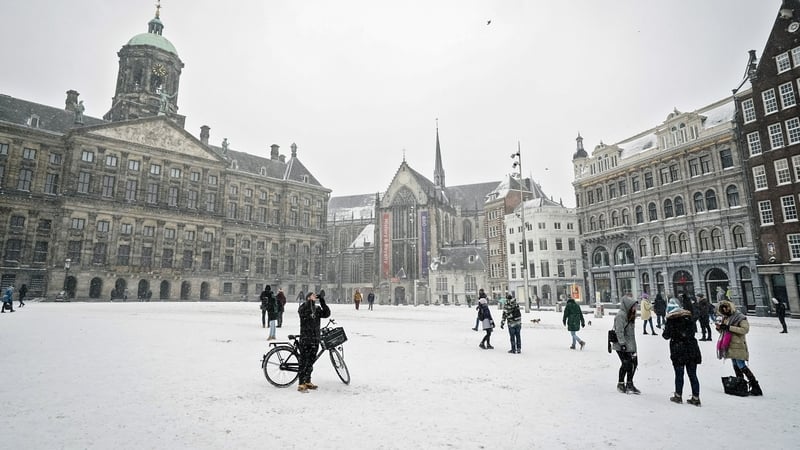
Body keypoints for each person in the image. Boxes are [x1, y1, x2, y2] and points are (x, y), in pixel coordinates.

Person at [716, 300, 762, 396]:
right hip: (730, 345)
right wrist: (720, 328)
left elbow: (745, 330)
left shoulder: (740, 317)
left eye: (726, 308)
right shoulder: (726, 317)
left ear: (730, 307)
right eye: (723, 309)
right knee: (735, 366)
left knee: (741, 365)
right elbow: (725, 332)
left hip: (738, 345)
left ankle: (755, 386)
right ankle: (740, 385)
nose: (725, 310)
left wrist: (729, 327)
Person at [663, 298, 702, 406]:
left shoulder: (671, 320)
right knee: (693, 375)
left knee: (679, 374)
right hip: (692, 348)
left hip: (678, 350)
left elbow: (666, 335)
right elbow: (693, 331)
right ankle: (696, 397)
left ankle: (678, 395)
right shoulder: (688, 317)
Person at [297, 290, 331, 392]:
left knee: (311, 362)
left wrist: (322, 300)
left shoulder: (317, 309)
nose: (314, 297)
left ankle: (308, 381)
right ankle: (301, 383)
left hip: (315, 339)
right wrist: (310, 301)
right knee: (304, 361)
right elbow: (304, 312)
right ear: (308, 298)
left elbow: (327, 313)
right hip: (306, 338)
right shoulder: (303, 307)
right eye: (312, 296)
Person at [613, 295, 640, 394]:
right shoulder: (621, 315)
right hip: (622, 345)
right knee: (626, 364)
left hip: (631, 344)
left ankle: (629, 383)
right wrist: (622, 343)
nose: (635, 308)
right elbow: (619, 331)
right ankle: (621, 383)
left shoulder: (630, 314)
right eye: (633, 306)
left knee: (634, 363)